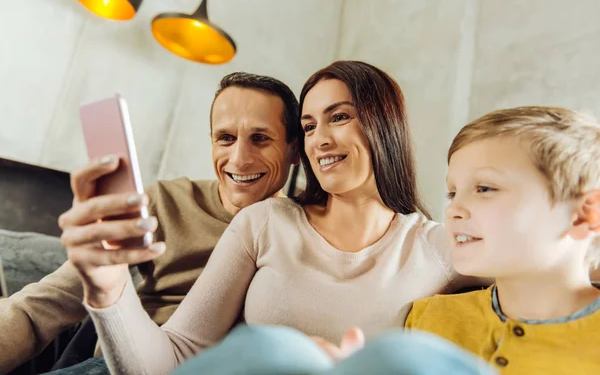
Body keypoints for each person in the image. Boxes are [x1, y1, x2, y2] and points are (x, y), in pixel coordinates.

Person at [64, 60, 491, 375]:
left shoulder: (438, 246)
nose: (320, 139)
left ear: (385, 125)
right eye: (308, 126)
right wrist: (109, 290)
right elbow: (173, 358)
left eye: (339, 117)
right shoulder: (265, 222)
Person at [0, 72, 300, 374]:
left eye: (260, 139)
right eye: (226, 138)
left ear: (294, 150)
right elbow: (51, 301)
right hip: (114, 357)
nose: (239, 159)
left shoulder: (305, 231)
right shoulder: (165, 200)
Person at [406, 106, 600, 373]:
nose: (453, 210)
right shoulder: (429, 320)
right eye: (452, 193)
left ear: (583, 216)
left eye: (485, 188)